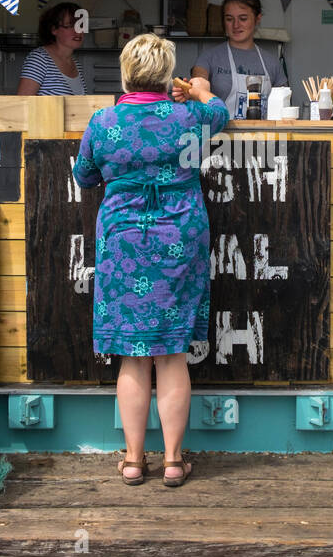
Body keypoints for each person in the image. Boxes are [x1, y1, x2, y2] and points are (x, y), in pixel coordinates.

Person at [72, 33, 228, 487]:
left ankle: (136, 460)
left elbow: (84, 176)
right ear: (167, 76)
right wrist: (199, 90)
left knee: (133, 356)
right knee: (172, 353)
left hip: (123, 241)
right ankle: (175, 461)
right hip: (180, 234)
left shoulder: (103, 122)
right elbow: (220, 111)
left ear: (125, 74)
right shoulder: (189, 116)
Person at [185, 0, 288, 117]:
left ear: (258, 19)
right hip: (220, 137)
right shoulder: (209, 57)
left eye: (243, 18)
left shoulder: (272, 63)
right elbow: (199, 81)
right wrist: (191, 88)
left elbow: (286, 108)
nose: (236, 25)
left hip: (265, 138)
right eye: (229, 19)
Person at [16, 2, 86, 95]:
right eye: (70, 25)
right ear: (54, 29)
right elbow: (23, 103)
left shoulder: (77, 65)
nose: (78, 30)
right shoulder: (39, 59)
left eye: (81, 25)